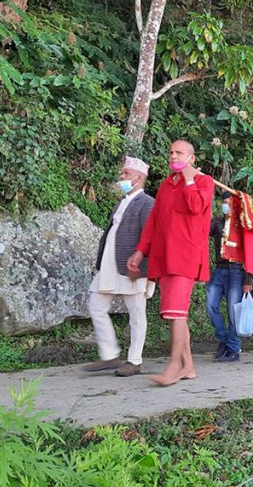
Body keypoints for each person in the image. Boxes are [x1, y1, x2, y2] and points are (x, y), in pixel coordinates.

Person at [128, 140, 214, 386]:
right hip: (164, 256)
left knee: (177, 313)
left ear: (192, 158)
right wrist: (140, 251)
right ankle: (188, 367)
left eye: (179, 153)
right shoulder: (166, 185)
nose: (173, 156)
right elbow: (154, 222)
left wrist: (189, 179)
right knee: (175, 313)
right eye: (171, 152)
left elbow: (196, 206)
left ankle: (174, 367)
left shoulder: (203, 182)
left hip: (185, 256)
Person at [84, 156, 155, 377]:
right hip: (109, 263)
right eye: (122, 173)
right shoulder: (122, 201)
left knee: (136, 312)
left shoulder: (147, 202)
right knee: (96, 304)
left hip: (132, 265)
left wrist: (143, 267)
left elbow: (151, 236)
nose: (121, 177)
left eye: (126, 173)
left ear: (140, 178)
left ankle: (134, 361)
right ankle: (109, 354)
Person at [206, 192, 253, 363]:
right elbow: (204, 229)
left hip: (237, 271)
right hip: (219, 269)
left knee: (234, 311)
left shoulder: (242, 225)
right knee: (210, 305)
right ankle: (223, 339)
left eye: (228, 202)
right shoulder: (218, 223)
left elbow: (250, 253)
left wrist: (249, 279)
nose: (225, 205)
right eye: (223, 202)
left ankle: (233, 348)